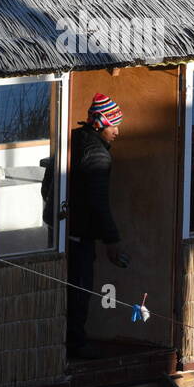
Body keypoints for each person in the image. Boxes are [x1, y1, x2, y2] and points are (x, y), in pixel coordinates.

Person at [65, 92, 130, 358]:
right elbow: (98, 202)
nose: (117, 131)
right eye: (113, 125)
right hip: (80, 234)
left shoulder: (76, 140)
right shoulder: (98, 157)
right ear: (99, 124)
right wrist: (112, 240)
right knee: (80, 291)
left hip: (66, 231)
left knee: (71, 289)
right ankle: (75, 347)